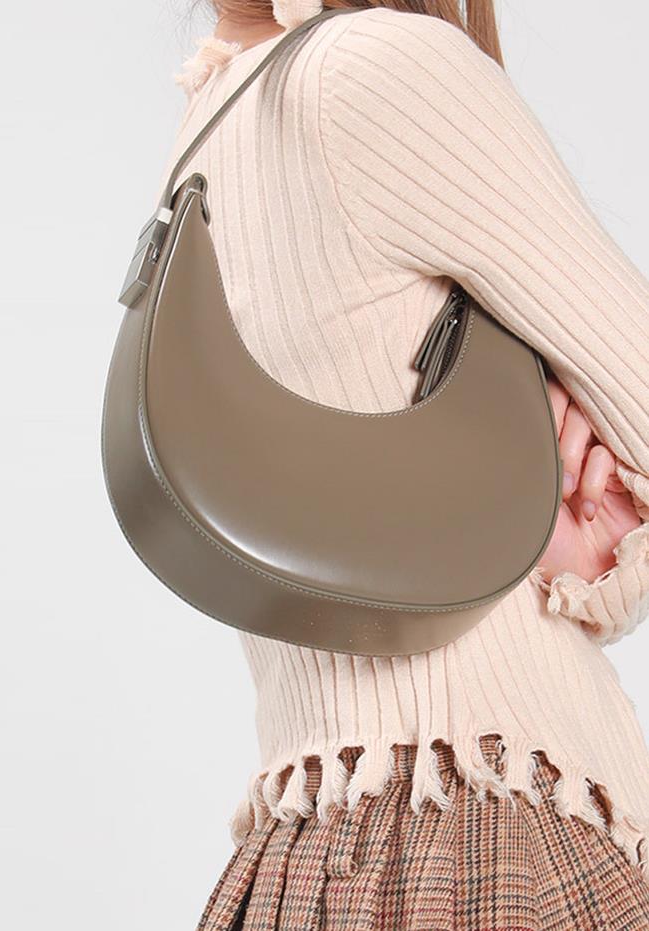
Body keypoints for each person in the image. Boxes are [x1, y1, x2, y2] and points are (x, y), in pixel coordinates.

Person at [161, 1, 649, 926]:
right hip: (492, 825)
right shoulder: (380, 70)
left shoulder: (212, 121)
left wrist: (566, 516)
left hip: (304, 862)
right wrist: (595, 526)